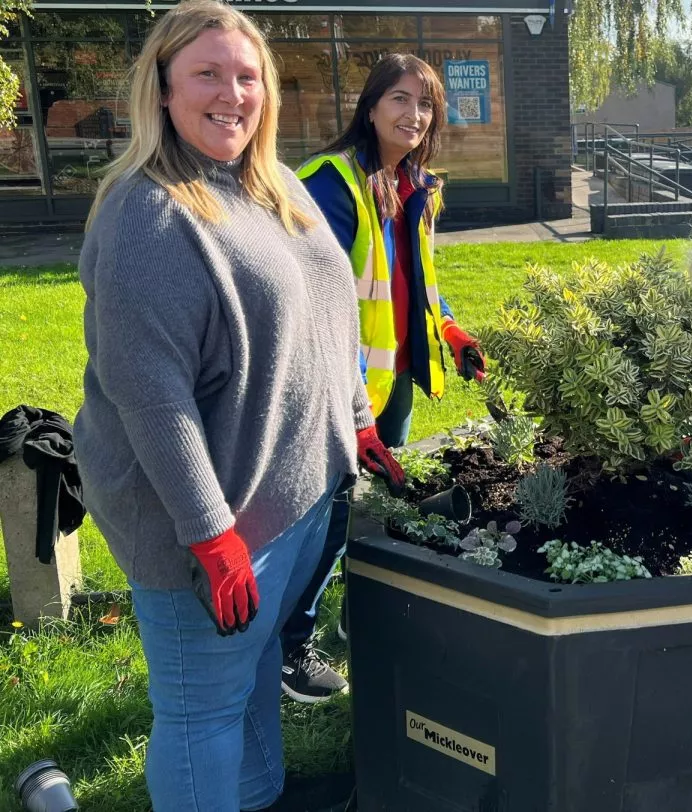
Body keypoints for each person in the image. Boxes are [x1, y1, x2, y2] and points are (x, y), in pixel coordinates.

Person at [74, 3, 406, 809]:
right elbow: (151, 399)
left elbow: (329, 314)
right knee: (202, 710)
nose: (232, 93)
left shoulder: (273, 184)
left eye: (247, 76)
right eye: (206, 74)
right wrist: (210, 536)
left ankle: (256, 797)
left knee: (255, 673)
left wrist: (357, 416)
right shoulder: (147, 215)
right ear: (160, 89)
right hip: (206, 523)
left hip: (283, 498)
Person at [279, 53, 485, 702]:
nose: (413, 114)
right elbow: (314, 307)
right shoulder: (330, 183)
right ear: (370, 107)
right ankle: (290, 647)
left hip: (390, 381)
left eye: (424, 105)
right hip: (336, 391)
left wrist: (451, 332)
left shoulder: (417, 186)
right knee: (329, 516)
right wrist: (352, 416)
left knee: (365, 515)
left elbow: (419, 282)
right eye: (399, 98)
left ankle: (354, 611)